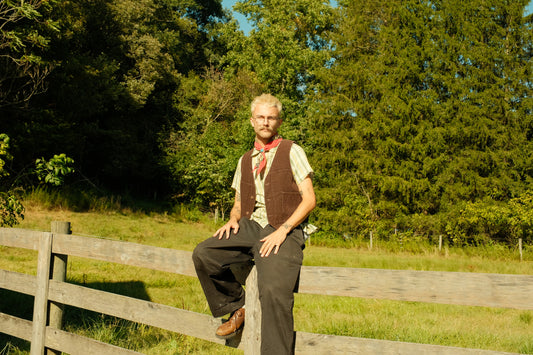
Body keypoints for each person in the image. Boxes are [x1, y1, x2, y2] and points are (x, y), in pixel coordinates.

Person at [192, 93, 316, 354]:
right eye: (260, 117)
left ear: (278, 122)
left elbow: (309, 200)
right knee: (204, 253)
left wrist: (283, 231)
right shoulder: (245, 159)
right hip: (251, 225)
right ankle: (237, 307)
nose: (266, 122)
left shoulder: (292, 151)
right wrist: (232, 220)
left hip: (284, 227)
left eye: (271, 118)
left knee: (272, 290)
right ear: (252, 121)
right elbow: (238, 202)